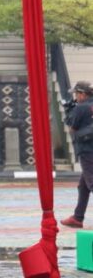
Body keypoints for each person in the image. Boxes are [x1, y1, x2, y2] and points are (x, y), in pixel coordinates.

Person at [61, 81, 93, 228]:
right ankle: (78, 217)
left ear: (82, 94)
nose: (75, 97)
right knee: (83, 186)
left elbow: (72, 128)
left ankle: (78, 217)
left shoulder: (81, 107)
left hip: (87, 151)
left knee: (91, 183)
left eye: (76, 94)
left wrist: (69, 112)